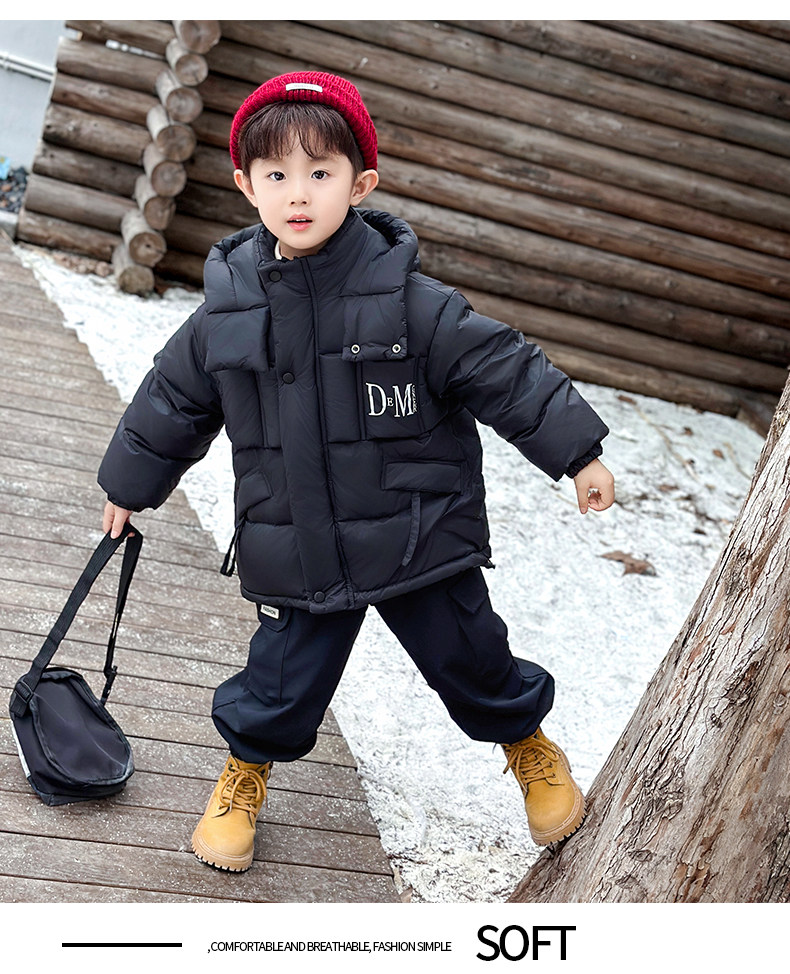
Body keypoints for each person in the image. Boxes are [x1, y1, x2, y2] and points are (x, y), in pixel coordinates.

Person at [98, 71, 615, 873]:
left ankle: (528, 748)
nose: (298, 193)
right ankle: (244, 774)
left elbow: (503, 370)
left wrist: (577, 452)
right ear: (246, 186)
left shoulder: (410, 301)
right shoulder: (226, 312)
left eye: (320, 172)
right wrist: (128, 487)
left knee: (473, 658)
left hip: (417, 532)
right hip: (297, 539)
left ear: (359, 184)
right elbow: (173, 399)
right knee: (279, 683)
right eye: (276, 174)